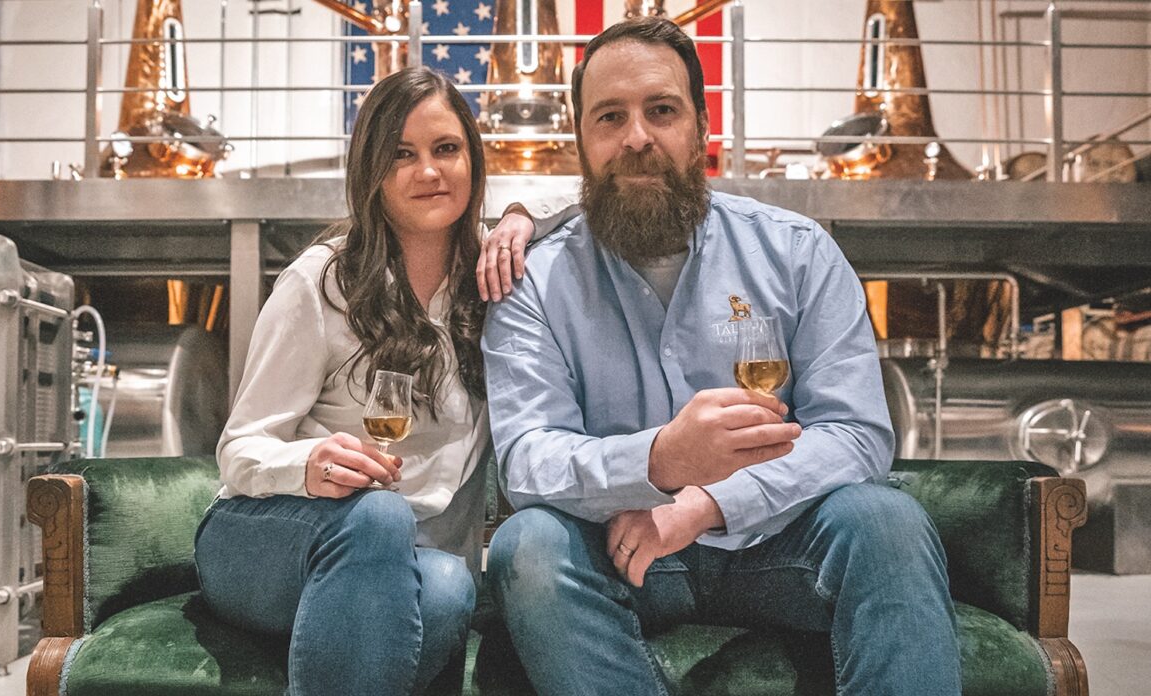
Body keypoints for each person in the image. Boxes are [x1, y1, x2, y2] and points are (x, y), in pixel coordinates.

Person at [482, 18, 963, 696]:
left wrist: (705, 502)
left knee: (887, 519)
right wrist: (656, 463)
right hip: (619, 552)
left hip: (780, 544)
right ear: (581, 140)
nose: (637, 138)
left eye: (662, 111)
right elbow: (528, 459)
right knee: (528, 545)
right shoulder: (532, 282)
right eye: (609, 117)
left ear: (701, 126)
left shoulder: (797, 252)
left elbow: (855, 433)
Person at [194, 66, 539, 696]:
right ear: (371, 172)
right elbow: (239, 449)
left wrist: (521, 214)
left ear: (474, 159)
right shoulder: (320, 282)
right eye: (402, 155)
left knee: (449, 589)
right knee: (378, 516)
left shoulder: (496, 280)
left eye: (446, 149)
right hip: (271, 538)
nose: (429, 171)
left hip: (410, 560)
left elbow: (586, 206)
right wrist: (306, 464)